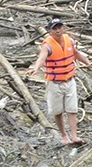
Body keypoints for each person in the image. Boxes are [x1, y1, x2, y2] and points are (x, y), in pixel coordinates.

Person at [27, 18, 84, 146]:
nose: (58, 30)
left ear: (63, 28)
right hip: (55, 83)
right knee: (57, 111)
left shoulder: (69, 40)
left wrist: (88, 63)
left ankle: (74, 136)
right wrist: (35, 68)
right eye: (55, 28)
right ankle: (64, 135)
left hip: (70, 80)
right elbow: (41, 58)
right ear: (50, 31)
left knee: (72, 109)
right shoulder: (47, 45)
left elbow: (76, 54)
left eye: (60, 27)